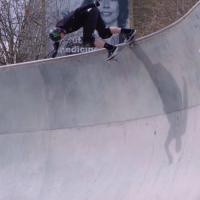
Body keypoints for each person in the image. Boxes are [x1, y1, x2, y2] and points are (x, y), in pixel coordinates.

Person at [49, 0, 136, 60]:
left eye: (60, 37)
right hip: (93, 13)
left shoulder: (66, 22)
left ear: (59, 32)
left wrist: (93, 5)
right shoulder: (58, 30)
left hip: (90, 14)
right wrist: (55, 50)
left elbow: (78, 10)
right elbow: (56, 40)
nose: (61, 38)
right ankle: (128, 32)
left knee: (87, 39)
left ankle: (111, 49)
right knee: (104, 33)